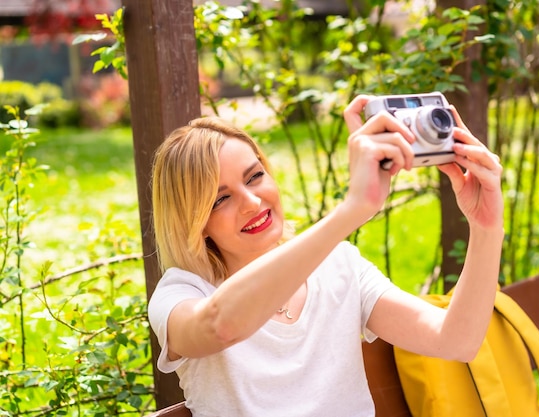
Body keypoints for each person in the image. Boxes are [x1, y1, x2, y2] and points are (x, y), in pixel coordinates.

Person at [147, 94, 504, 417]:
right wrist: (353, 209)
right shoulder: (181, 294)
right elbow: (220, 326)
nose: (252, 202)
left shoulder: (339, 266)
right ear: (195, 222)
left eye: (255, 177)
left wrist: (486, 226)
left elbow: (456, 340)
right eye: (221, 199)